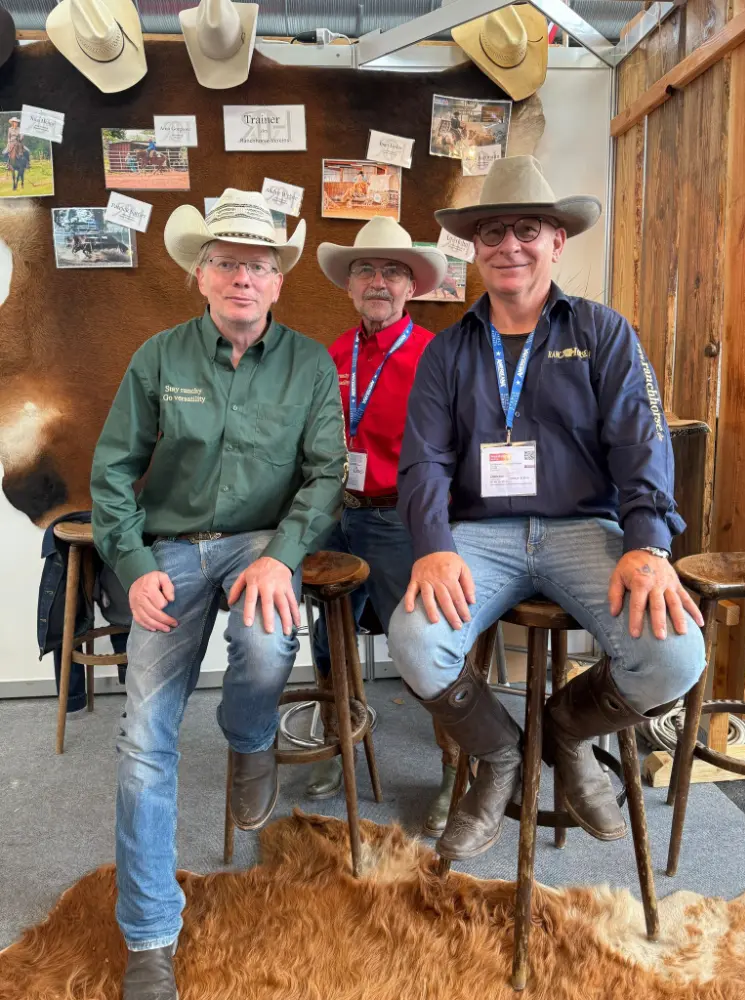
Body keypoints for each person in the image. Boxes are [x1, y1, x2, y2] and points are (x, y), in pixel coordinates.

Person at [388, 155, 705, 863]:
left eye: (527, 229)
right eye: (492, 231)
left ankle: (563, 729)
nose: (510, 245)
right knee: (413, 640)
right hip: (480, 536)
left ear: (557, 241)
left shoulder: (604, 331)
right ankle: (501, 754)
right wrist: (433, 545)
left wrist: (648, 544)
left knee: (675, 654)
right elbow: (424, 461)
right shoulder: (447, 352)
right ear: (474, 247)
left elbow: (642, 441)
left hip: (585, 529)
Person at [90, 188, 347, 1000]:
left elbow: (326, 475)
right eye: (228, 262)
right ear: (200, 276)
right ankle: (150, 935)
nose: (243, 278)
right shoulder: (157, 358)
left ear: (278, 282)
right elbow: (113, 472)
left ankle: (251, 737)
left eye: (259, 266)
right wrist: (134, 564)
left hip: (260, 541)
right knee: (143, 739)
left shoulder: (310, 364)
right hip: (170, 549)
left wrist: (281, 556)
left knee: (267, 642)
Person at [311, 218, 459, 835]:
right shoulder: (332, 355)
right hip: (337, 513)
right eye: (366, 270)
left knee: (426, 644)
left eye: (392, 271)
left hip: (402, 518)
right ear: (349, 286)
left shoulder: (434, 355)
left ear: (412, 287)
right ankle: (338, 743)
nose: (378, 281)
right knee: (329, 639)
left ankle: (455, 767)